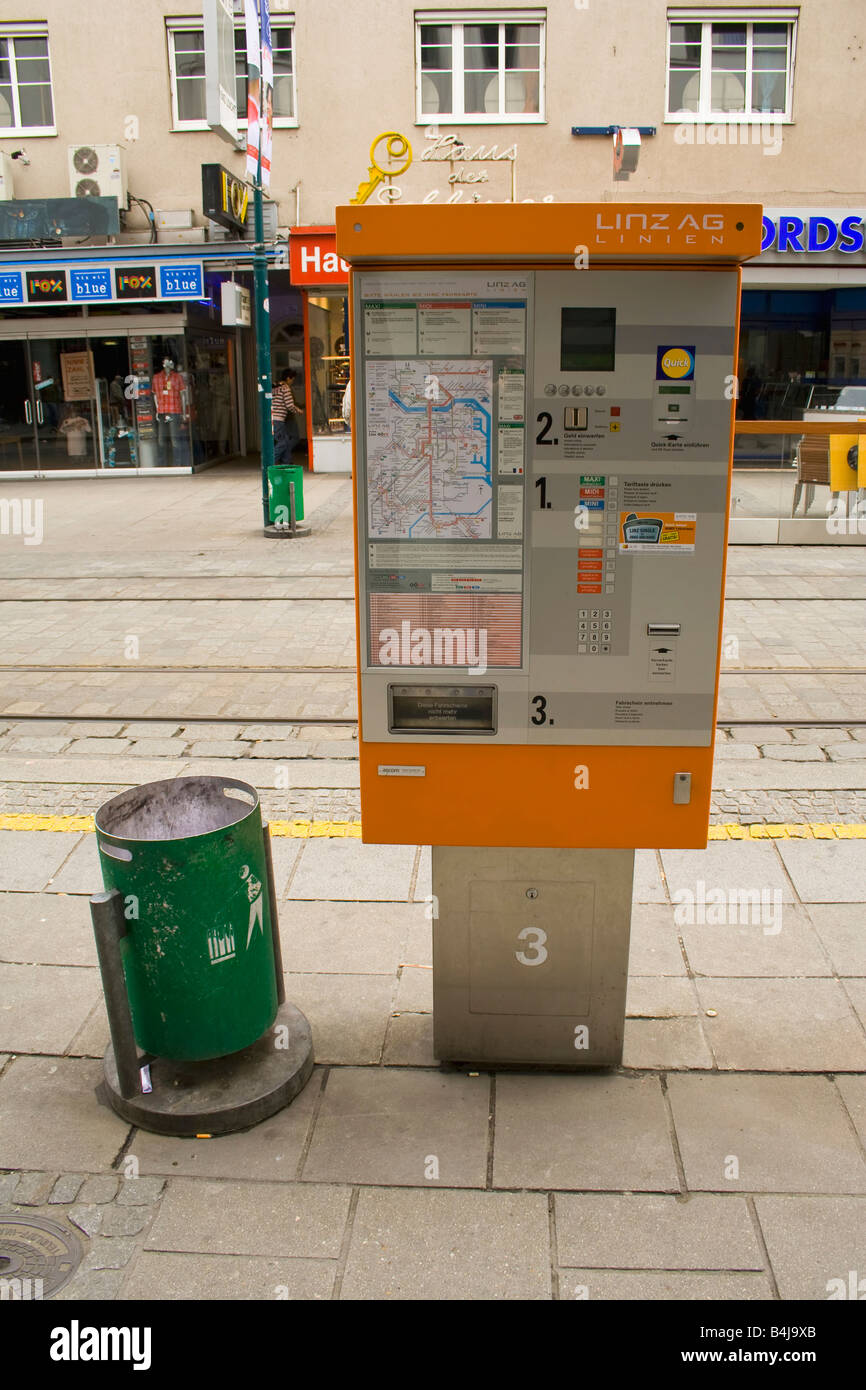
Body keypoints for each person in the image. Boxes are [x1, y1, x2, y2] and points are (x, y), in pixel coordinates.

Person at [272, 368, 303, 465]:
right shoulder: (285, 388)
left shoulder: (275, 387)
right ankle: (270, 462)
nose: (292, 382)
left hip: (273, 418)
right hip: (279, 419)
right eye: (292, 379)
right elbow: (289, 405)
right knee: (282, 443)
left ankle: (286, 462)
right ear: (288, 378)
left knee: (284, 441)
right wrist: (298, 410)